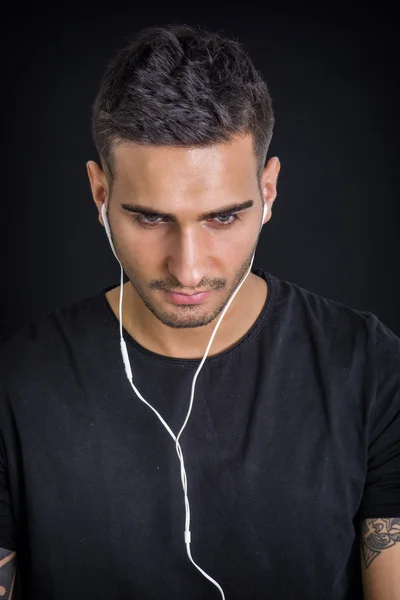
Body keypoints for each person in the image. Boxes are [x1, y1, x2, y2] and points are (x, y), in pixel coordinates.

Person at [0, 23, 399, 600]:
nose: (187, 270)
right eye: (150, 218)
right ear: (99, 195)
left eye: (222, 217)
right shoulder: (14, 387)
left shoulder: (369, 369)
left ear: (269, 191)